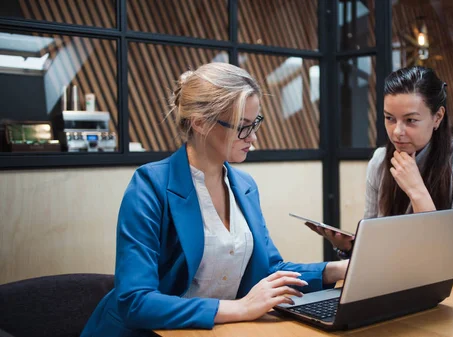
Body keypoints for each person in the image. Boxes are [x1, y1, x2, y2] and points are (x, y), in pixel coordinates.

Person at [81, 63, 348, 336]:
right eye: (242, 127)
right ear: (199, 122)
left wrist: (337, 270)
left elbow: (269, 270)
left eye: (255, 124)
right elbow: (135, 301)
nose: (253, 138)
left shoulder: (244, 186)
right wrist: (241, 308)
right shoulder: (149, 186)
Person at [309, 66, 453, 277]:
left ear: (437, 117)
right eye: (389, 118)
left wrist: (417, 190)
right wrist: (348, 247)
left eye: (410, 120)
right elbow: (374, 245)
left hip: (452, 290)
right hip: (393, 283)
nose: (397, 132)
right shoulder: (379, 161)